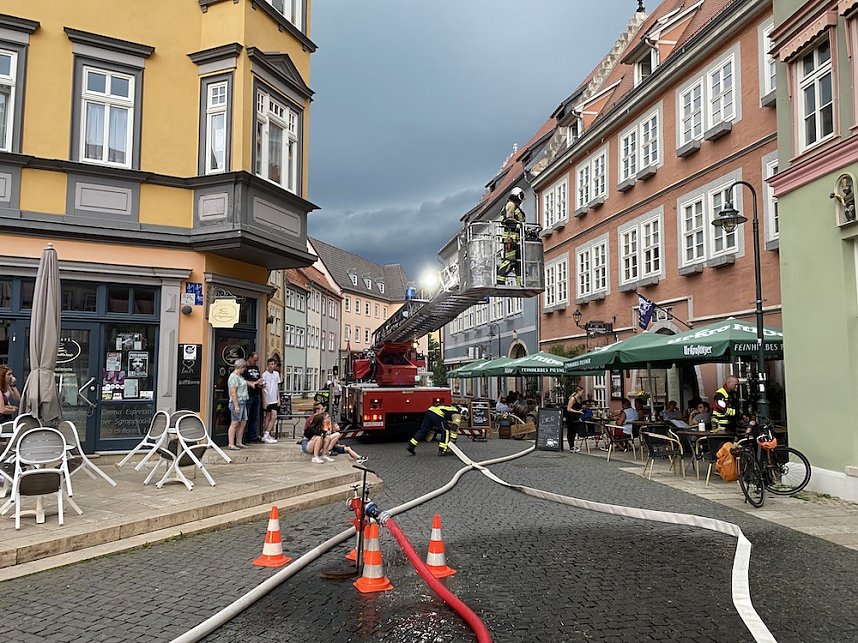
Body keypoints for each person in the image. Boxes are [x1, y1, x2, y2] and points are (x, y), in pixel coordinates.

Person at [497, 187, 526, 286]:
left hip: (517, 239)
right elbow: (509, 220)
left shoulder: (515, 207)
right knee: (509, 260)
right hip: (511, 238)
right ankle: (500, 279)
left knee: (518, 262)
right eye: (521, 196)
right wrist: (519, 226)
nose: (521, 199)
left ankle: (519, 282)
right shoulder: (511, 205)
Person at [227, 359, 249, 450]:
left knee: (243, 422)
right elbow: (233, 392)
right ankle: (231, 443)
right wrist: (236, 405)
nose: (245, 370)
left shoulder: (240, 377)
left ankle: (239, 442)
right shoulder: (233, 377)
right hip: (237, 401)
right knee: (235, 423)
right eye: (244, 368)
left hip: (243, 401)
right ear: (241, 367)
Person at [242, 352, 264, 443]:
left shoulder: (256, 368)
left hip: (256, 394)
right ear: (249, 358)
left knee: (255, 416)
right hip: (248, 395)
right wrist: (253, 383)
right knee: (245, 416)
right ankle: (243, 436)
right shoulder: (244, 368)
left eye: (256, 361)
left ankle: (253, 436)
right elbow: (242, 380)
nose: (255, 362)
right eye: (254, 360)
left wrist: (259, 383)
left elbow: (258, 378)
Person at [260, 358, 280, 444]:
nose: (271, 366)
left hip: (274, 399)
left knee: (274, 416)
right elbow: (263, 388)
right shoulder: (265, 375)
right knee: (268, 416)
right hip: (268, 398)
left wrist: (278, 398)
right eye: (270, 364)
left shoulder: (276, 374)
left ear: (275, 365)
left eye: (273, 364)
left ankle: (267, 434)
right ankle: (266, 434)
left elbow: (277, 387)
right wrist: (264, 400)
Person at [565, 386, 584, 453]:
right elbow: (568, 409)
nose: (583, 393)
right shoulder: (573, 399)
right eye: (582, 392)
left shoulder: (580, 399)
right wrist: (577, 411)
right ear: (578, 391)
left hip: (576, 417)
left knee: (574, 431)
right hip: (570, 417)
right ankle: (571, 446)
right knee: (571, 432)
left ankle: (573, 446)